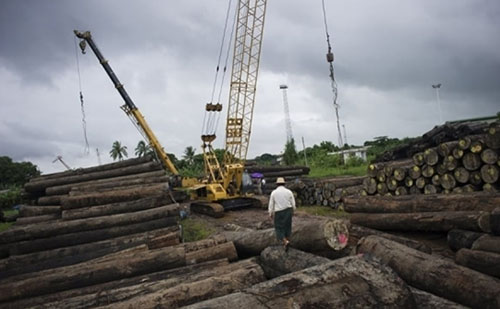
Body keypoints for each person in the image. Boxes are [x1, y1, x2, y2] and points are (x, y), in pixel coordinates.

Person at [268, 177, 296, 250]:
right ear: (284, 184)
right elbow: (293, 202)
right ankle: (287, 241)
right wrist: (293, 210)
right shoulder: (289, 191)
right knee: (287, 226)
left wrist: (270, 213)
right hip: (288, 210)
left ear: (277, 184)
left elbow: (271, 204)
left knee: (279, 228)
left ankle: (285, 241)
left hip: (279, 212)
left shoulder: (274, 192)